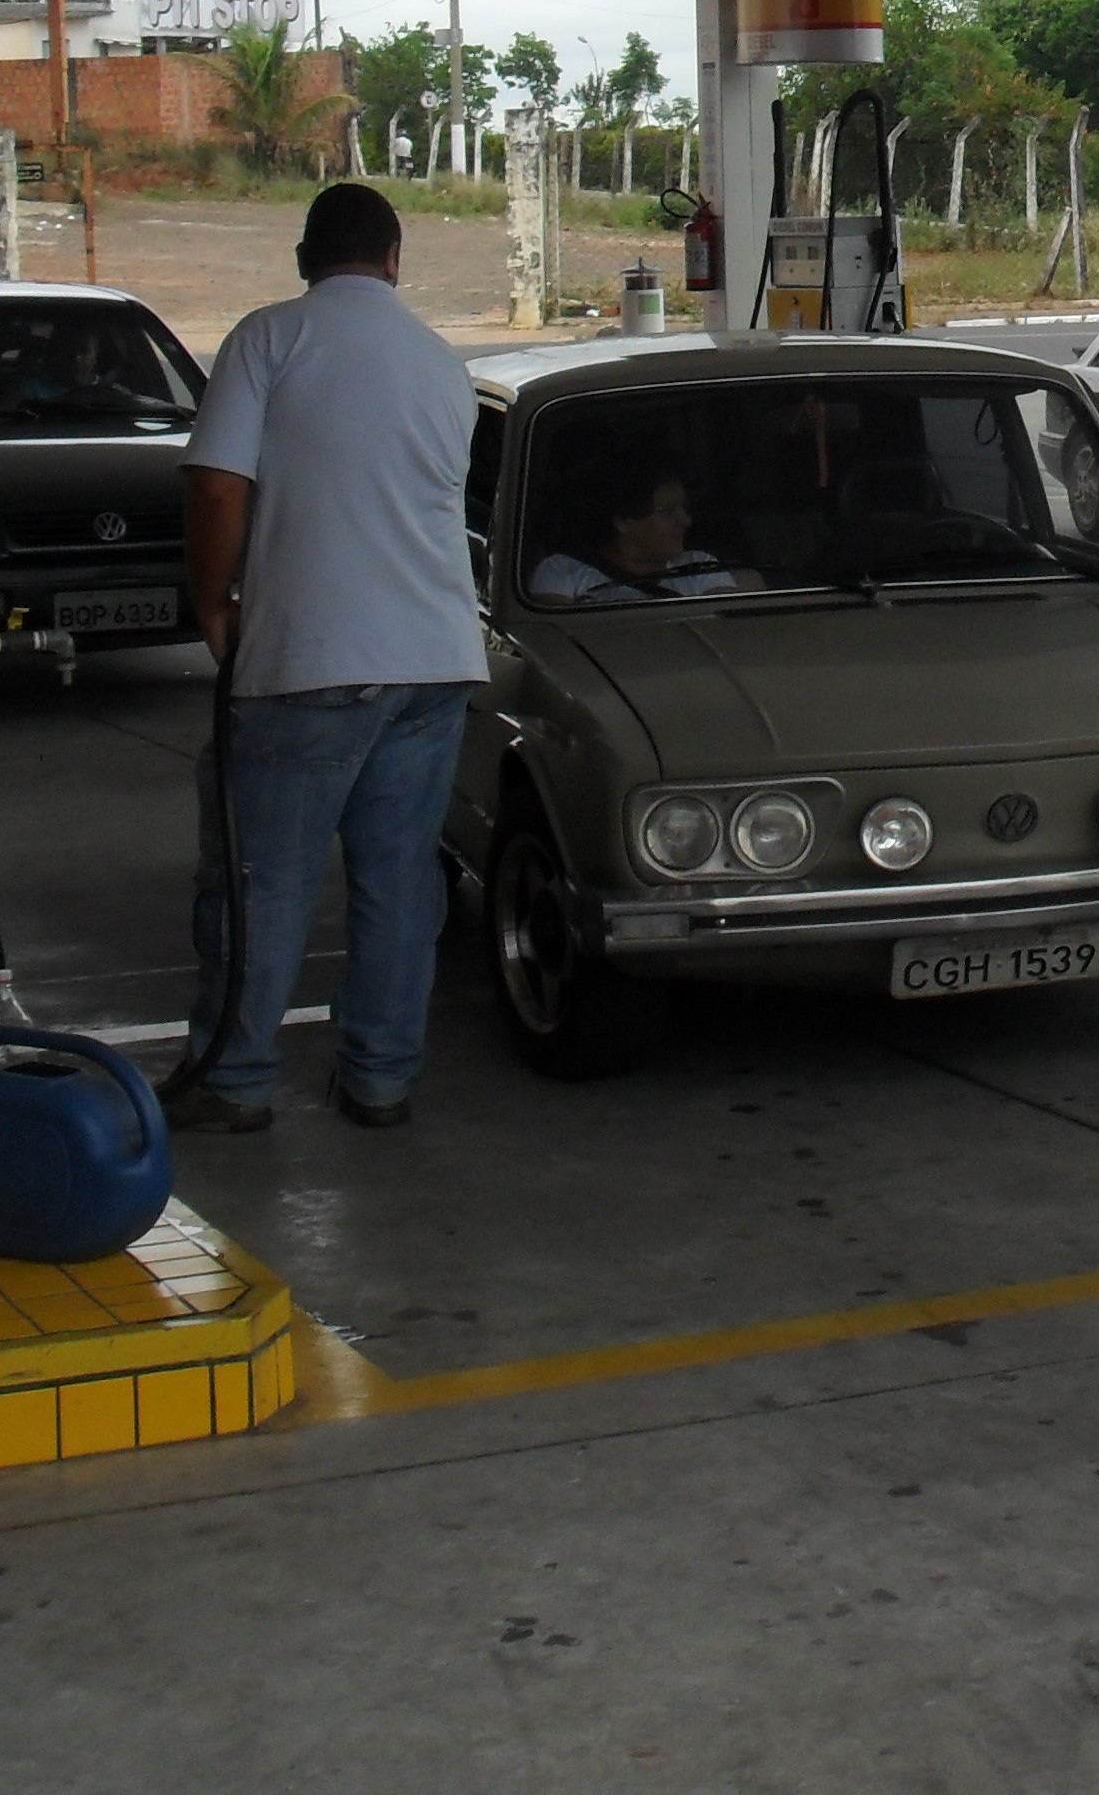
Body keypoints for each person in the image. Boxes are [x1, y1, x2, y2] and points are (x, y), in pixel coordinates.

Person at [171, 182, 484, 1135]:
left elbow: (217, 488)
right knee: (399, 883)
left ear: (305, 259)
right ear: (394, 260)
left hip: (310, 659)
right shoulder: (443, 363)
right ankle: (380, 1080)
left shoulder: (269, 338)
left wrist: (212, 602)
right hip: (434, 660)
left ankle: (234, 1081)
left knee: (264, 883)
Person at [527, 449, 753, 605]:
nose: (685, 521)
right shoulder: (563, 572)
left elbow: (724, 625)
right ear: (624, 521)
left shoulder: (700, 567)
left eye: (684, 508)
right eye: (666, 512)